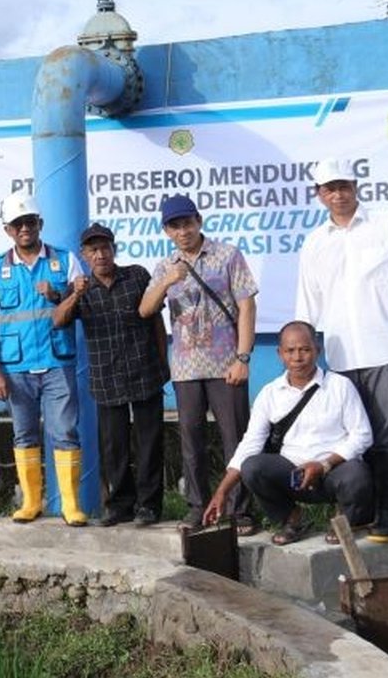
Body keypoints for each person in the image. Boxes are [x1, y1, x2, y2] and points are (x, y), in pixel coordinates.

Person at [296, 158, 388, 543]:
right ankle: (359, 512)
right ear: (319, 194)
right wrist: (306, 354)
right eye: (329, 189)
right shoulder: (315, 242)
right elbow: (307, 303)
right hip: (340, 356)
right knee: (352, 439)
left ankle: (386, 513)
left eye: (343, 186)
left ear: (356, 186)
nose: (337, 194)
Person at [138, 193, 259, 535]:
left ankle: (241, 511)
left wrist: (243, 357)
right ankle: (198, 507)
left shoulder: (227, 255)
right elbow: (145, 310)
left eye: (188, 223)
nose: (183, 231)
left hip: (226, 365)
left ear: (199, 221)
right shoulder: (165, 266)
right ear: (166, 230)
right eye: (175, 226)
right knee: (191, 442)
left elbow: (247, 307)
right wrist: (165, 282)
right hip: (186, 370)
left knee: (236, 439)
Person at [204, 321, 373, 546]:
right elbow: (250, 444)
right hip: (293, 476)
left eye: (305, 349)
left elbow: (362, 435)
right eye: (290, 351)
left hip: (333, 472)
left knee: (357, 473)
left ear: (317, 351)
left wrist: (323, 465)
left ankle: (344, 520)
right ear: (280, 354)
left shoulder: (340, 386)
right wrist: (222, 492)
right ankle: (292, 520)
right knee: (252, 467)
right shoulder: (270, 393)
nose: (297, 357)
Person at [0, 189, 87, 526]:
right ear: (7, 230)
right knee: (24, 435)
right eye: (17, 224)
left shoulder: (65, 260)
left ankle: (71, 505)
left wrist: (59, 296)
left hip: (57, 362)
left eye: (29, 222)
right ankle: (31, 502)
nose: (24, 228)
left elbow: (77, 308)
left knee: (65, 432)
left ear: (39, 223)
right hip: (15, 368)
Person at [54, 224, 168, 527]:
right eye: (93, 250)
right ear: (84, 255)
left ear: (113, 249)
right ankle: (119, 505)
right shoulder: (80, 287)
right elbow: (58, 320)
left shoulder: (138, 275)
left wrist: (163, 361)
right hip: (106, 377)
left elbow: (156, 321)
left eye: (105, 248)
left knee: (149, 443)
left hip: (145, 371)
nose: (100, 254)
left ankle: (149, 506)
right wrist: (75, 296)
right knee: (113, 446)